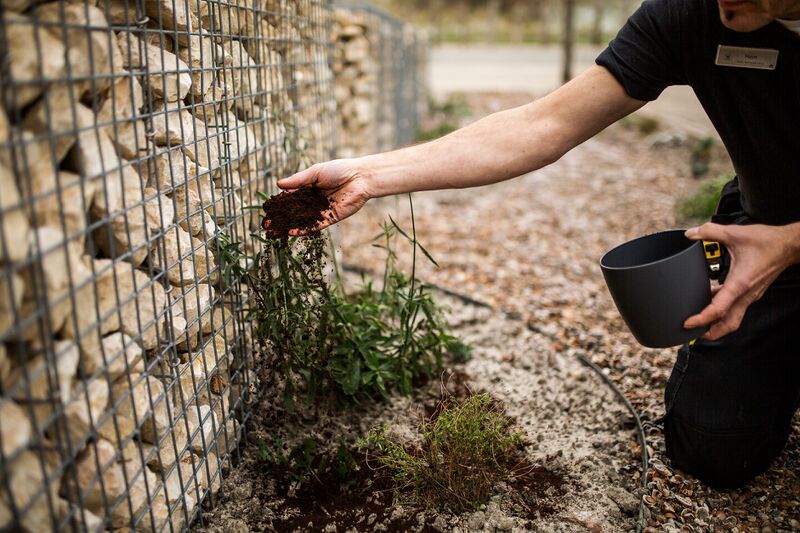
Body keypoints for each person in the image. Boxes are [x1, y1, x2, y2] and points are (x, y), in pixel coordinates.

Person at [277, 0, 800, 488]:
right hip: (761, 229)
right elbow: (542, 124)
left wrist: (790, 244)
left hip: (783, 241)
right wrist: (370, 174)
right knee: (714, 450)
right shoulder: (691, 14)